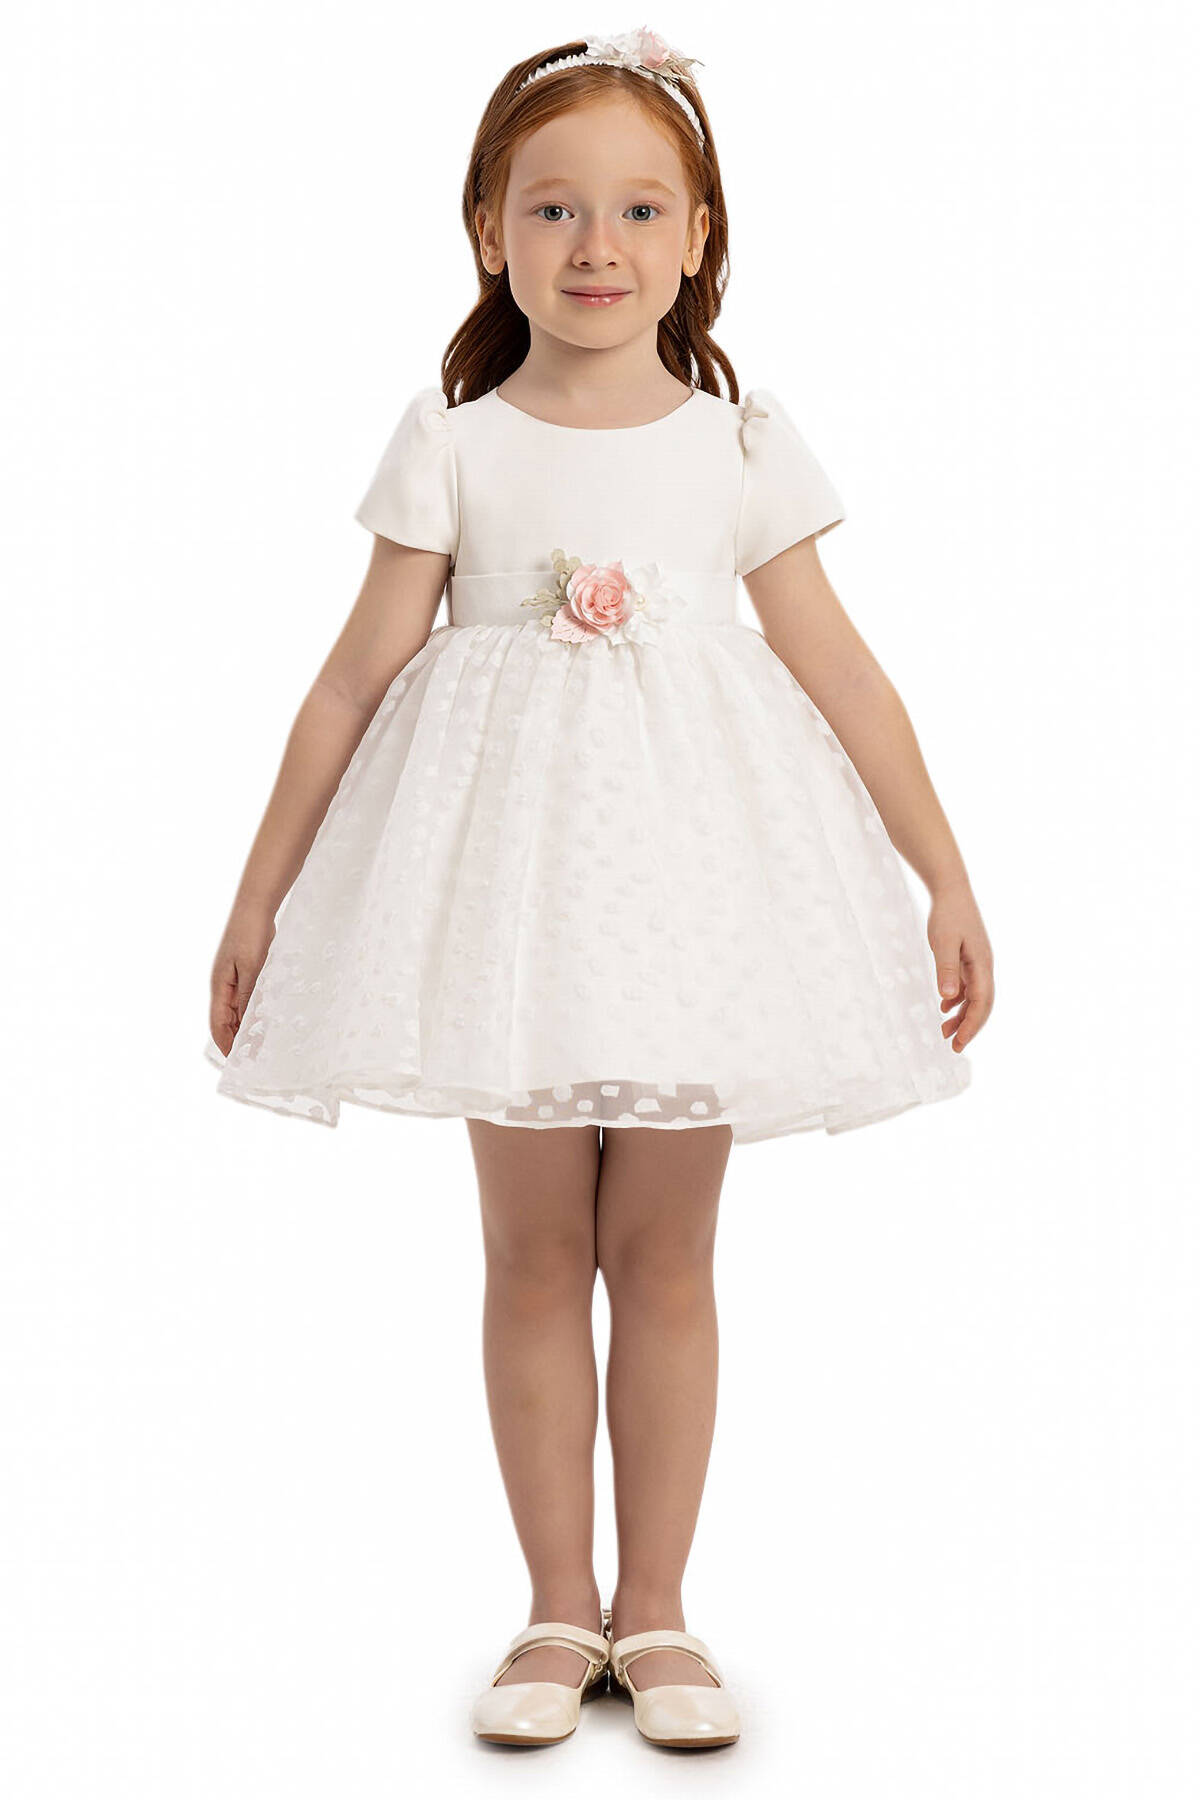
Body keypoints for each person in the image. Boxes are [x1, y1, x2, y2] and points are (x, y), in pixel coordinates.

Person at [205, 26, 994, 1750]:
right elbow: (348, 682)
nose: (596, 246)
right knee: (534, 1247)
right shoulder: (454, 441)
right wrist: (261, 900)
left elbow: (845, 672)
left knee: (666, 1251)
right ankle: (560, 1605)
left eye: (640, 209)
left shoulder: (740, 443)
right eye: (554, 208)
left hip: (695, 901)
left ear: (699, 237)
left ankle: (664, 1607)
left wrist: (941, 870)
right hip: (509, 909)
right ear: (490, 228)